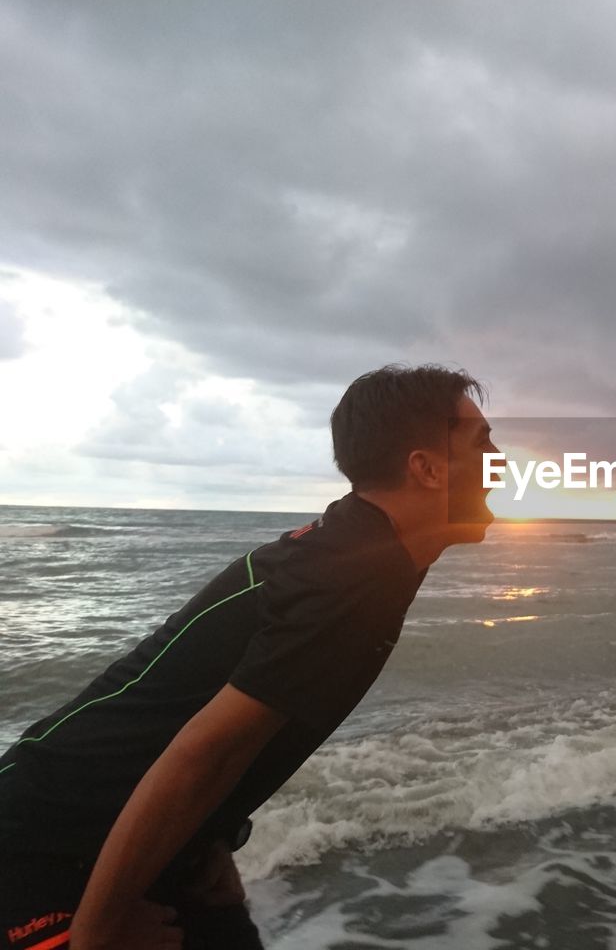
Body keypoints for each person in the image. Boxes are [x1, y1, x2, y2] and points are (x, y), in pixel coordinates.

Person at [0, 364, 500, 950]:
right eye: (482, 442)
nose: (501, 460)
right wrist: (95, 935)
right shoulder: (349, 574)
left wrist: (214, 832)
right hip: (46, 848)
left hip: (153, 845)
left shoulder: (369, 547)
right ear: (426, 467)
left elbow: (212, 712)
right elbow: (202, 755)